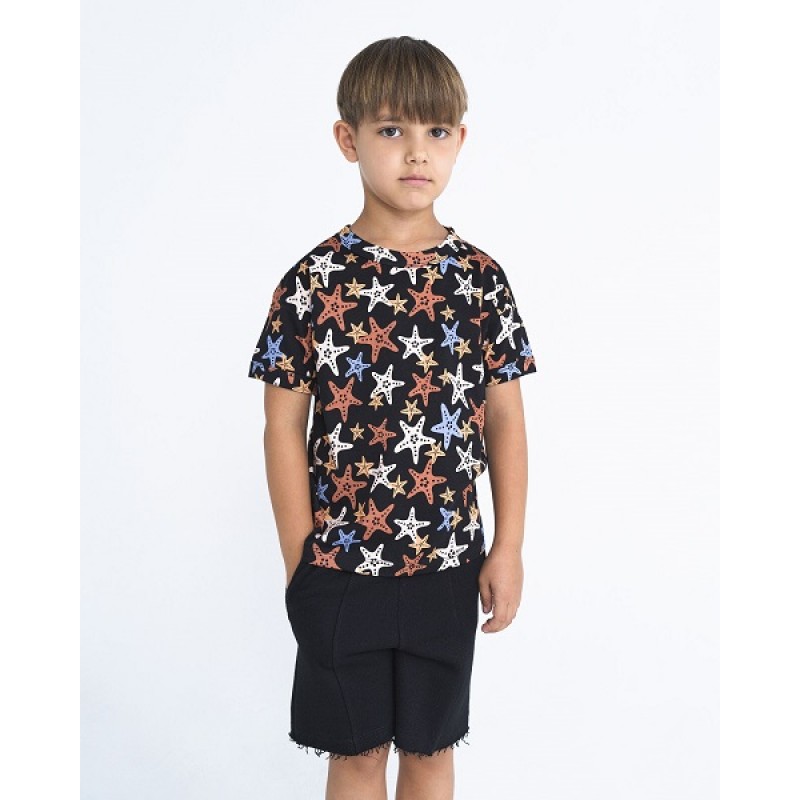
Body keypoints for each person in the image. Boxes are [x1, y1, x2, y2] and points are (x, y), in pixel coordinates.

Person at [247, 35, 538, 800]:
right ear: (348, 140)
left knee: (432, 753)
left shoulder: (480, 282)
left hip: (448, 565)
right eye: (391, 129)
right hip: (342, 570)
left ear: (460, 140)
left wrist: (507, 546)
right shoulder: (313, 281)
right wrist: (300, 560)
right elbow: (282, 425)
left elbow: (505, 419)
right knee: (356, 755)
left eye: (436, 130)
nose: (416, 151)